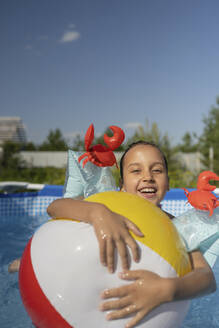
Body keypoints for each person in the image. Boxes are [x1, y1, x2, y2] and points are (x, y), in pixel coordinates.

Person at [47, 141, 216, 328]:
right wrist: (98, 214)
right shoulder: (106, 207)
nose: (148, 177)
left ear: (168, 183)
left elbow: (206, 278)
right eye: (136, 171)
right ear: (122, 185)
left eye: (157, 171)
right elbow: (55, 207)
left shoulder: (176, 228)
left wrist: (166, 289)